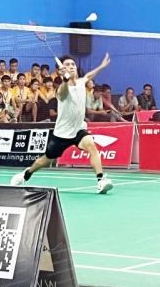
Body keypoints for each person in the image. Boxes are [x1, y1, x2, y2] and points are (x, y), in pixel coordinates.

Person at [12, 54, 114, 193]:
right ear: (62, 70)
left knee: (91, 145)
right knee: (46, 160)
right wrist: (65, 78)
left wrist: (101, 66)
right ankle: (26, 174)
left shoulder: (81, 82)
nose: (72, 67)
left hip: (78, 129)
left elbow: (88, 75)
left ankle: (101, 181)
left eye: (73, 64)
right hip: (62, 133)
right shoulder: (61, 89)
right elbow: (64, 91)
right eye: (68, 65)